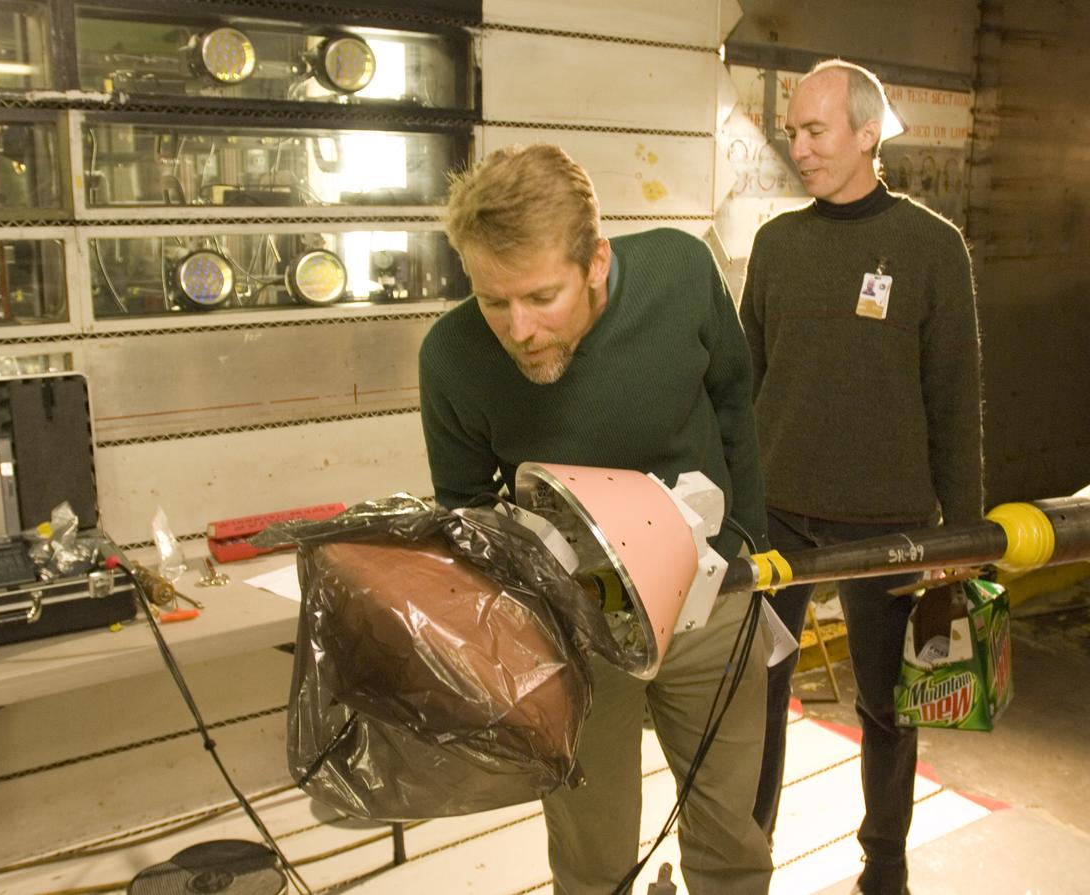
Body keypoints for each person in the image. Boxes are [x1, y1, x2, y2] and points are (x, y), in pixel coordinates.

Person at [419, 143, 773, 895]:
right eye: (493, 302)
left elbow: (734, 400)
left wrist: (746, 539)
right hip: (576, 626)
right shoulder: (451, 356)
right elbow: (465, 508)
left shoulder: (681, 274)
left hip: (710, 594)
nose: (519, 329)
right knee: (591, 855)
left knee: (730, 834)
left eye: (541, 297)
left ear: (597, 262)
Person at [739, 60, 983, 895]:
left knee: (889, 703)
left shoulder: (932, 248)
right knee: (757, 697)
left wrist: (963, 533)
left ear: (867, 133)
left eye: (815, 131)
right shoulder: (776, 245)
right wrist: (735, 508)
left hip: (891, 524)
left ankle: (884, 865)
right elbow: (747, 383)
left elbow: (954, 397)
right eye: (793, 133)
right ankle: (745, 862)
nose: (799, 147)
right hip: (778, 516)